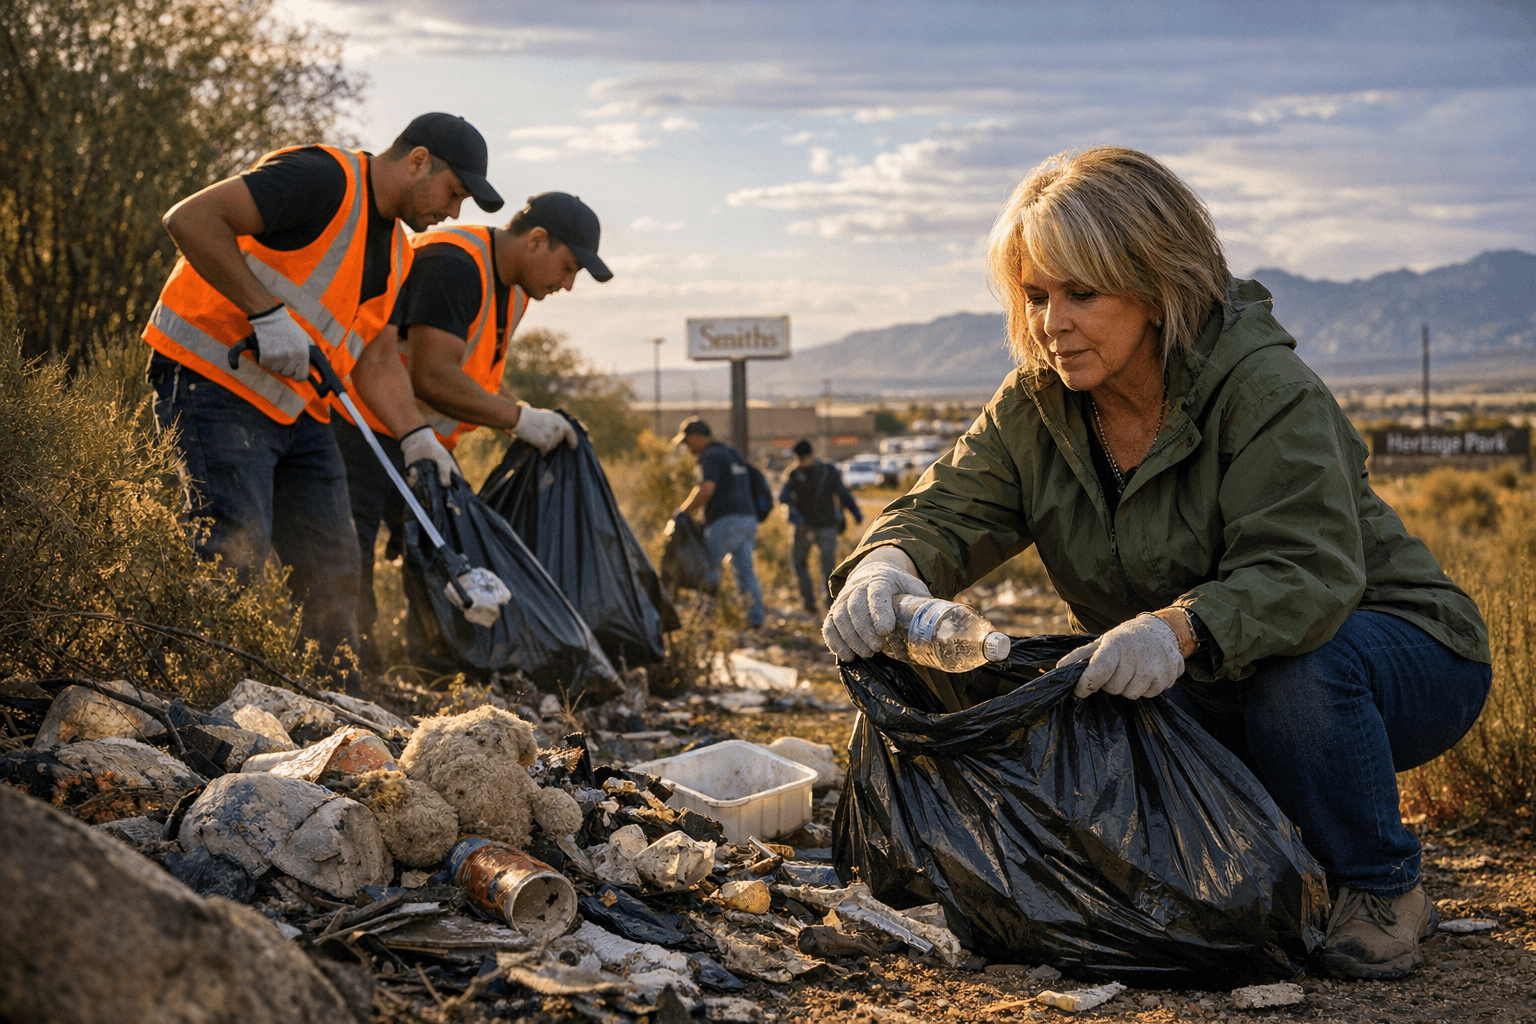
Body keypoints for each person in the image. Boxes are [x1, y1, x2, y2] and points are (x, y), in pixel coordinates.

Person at [822, 145, 1491, 982]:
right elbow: (948, 506)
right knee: (1053, 695)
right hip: (1211, 662)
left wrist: (1175, 630)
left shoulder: (1263, 390)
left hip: (1395, 654)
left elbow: (1304, 576)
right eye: (1035, 296)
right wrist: (887, 562)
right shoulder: (1038, 403)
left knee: (1297, 674)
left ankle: (1381, 881)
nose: (1049, 322)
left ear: (1156, 284)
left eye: (1081, 293)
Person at [143, 112, 502, 686]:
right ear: (417, 161)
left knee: (336, 569)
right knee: (229, 549)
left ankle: (333, 713)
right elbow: (189, 217)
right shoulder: (322, 178)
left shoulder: (400, 257)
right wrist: (263, 311)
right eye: (453, 192)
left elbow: (378, 358)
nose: (452, 212)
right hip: (213, 386)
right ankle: (185, 701)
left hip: (298, 413)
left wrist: (417, 437)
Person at [339, 193, 613, 671]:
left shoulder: (513, 286)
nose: (568, 285)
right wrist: (519, 420)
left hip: (420, 440)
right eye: (568, 267)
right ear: (536, 240)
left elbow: (476, 373)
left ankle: (422, 671)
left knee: (438, 557)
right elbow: (433, 375)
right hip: (364, 428)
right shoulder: (454, 263)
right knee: (351, 557)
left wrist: (522, 411)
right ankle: (350, 674)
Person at [673, 418, 766, 628]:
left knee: (707, 568)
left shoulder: (711, 456)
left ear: (697, 437)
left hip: (727, 522)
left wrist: (682, 512)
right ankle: (756, 620)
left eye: (688, 442)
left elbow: (707, 488)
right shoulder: (731, 452)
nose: (688, 447)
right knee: (745, 571)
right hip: (748, 519)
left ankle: (703, 620)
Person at [779, 439, 862, 614]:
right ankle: (816, 603)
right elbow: (843, 492)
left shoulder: (794, 474)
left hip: (811, 527)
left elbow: (784, 499)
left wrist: (855, 513)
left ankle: (822, 603)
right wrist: (855, 513)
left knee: (817, 566)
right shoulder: (826, 470)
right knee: (817, 565)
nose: (803, 461)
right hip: (817, 527)